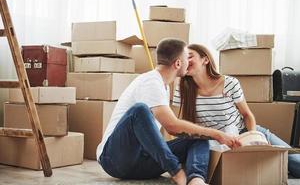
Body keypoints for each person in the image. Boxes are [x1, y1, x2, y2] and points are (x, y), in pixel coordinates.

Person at [97, 38, 241, 185]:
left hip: (142, 162)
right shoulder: (150, 81)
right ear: (178, 63)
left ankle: (196, 180)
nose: (189, 61)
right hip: (114, 160)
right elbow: (172, 126)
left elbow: (175, 130)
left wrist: (210, 134)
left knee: (199, 137)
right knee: (139, 110)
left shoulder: (164, 86)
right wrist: (217, 134)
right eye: (187, 57)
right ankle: (176, 172)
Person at [173, 43, 300, 178]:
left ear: (205, 60)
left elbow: (247, 115)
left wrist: (253, 139)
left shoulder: (229, 83)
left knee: (296, 164)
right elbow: (174, 124)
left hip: (244, 132)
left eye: (190, 56)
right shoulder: (182, 88)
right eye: (183, 58)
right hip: (210, 141)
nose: (186, 61)